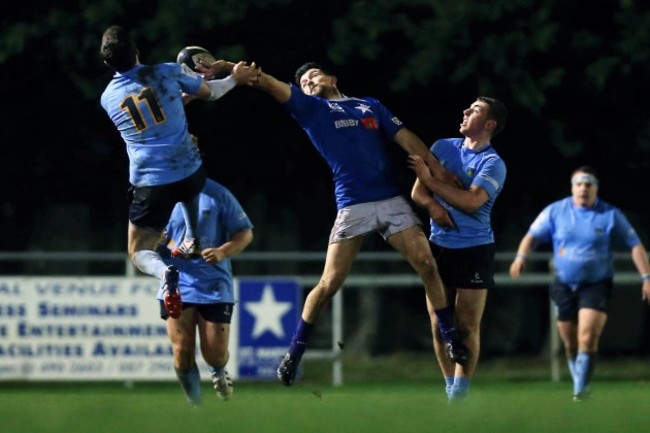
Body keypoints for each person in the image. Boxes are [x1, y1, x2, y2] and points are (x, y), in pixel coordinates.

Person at [195, 59, 468, 386]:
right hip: (352, 204)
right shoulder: (311, 109)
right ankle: (294, 353)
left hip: (390, 199)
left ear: (332, 78)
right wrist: (237, 71)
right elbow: (267, 83)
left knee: (427, 263)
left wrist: (437, 171)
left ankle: (451, 337)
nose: (307, 83)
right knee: (329, 283)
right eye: (303, 81)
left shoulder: (370, 105)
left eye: (312, 76)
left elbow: (407, 138)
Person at [99, 25, 258, 319]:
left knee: (138, 251)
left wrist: (192, 86)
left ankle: (165, 273)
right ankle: (194, 237)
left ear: (109, 63)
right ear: (136, 52)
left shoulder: (108, 98)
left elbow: (153, 112)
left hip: (150, 182)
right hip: (190, 173)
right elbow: (210, 94)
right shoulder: (167, 72)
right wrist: (235, 78)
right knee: (189, 185)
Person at [509, 165, 650, 402]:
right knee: (571, 344)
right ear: (573, 187)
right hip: (563, 284)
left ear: (596, 188)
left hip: (596, 284)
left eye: (589, 184)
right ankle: (580, 384)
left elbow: (635, 245)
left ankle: (579, 392)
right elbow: (531, 236)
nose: (584, 188)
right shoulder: (556, 211)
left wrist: (646, 277)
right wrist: (521, 258)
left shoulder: (610, 214)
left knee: (587, 337)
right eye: (579, 184)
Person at [409, 97, 508, 402]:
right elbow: (417, 192)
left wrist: (432, 183)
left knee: (466, 327)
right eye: (467, 107)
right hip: (438, 248)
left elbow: (471, 201)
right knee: (440, 324)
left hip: (474, 250)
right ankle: (450, 387)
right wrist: (432, 207)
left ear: (489, 124)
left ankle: (461, 393)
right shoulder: (442, 148)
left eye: (475, 110)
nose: (465, 112)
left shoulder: (493, 163)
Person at [157, 177, 254, 407]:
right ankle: (195, 406)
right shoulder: (161, 194)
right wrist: (157, 242)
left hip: (214, 283)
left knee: (215, 353)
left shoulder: (217, 194)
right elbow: (150, 236)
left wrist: (222, 251)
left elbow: (245, 233)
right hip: (176, 281)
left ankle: (218, 370)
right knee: (181, 350)